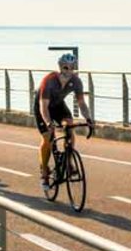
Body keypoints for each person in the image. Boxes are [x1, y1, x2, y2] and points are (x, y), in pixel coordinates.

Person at [34, 53, 93, 190]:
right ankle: (44, 171)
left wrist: (88, 118)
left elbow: (81, 103)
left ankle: (69, 162)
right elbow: (43, 107)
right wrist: (48, 123)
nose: (69, 70)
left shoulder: (76, 81)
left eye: (72, 67)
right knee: (48, 136)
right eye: (66, 67)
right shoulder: (49, 81)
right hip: (43, 106)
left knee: (70, 127)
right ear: (60, 67)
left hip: (58, 105)